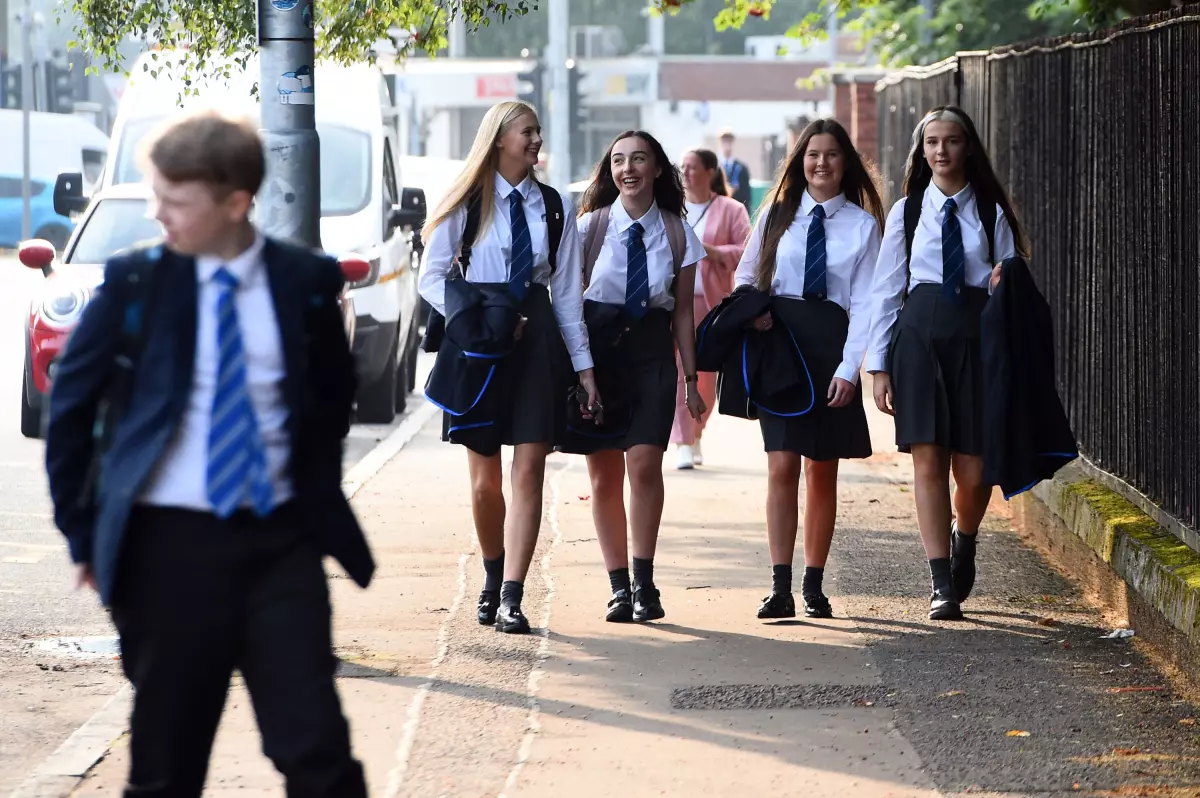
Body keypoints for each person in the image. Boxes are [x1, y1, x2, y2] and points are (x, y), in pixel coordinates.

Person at [44, 110, 372, 796]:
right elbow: (70, 412)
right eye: (155, 194)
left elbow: (330, 407)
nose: (157, 214)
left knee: (317, 753)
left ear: (235, 201)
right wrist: (86, 538)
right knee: (166, 766)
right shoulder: (137, 284)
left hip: (281, 545)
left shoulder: (305, 284)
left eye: (175, 201)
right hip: (167, 551)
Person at [419, 100, 599, 635]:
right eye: (528, 131)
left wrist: (584, 368)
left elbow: (567, 295)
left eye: (539, 131)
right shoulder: (467, 202)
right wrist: (475, 317)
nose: (537, 140)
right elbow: (430, 278)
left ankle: (513, 596)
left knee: (531, 467)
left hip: (538, 335)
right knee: (483, 483)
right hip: (480, 343)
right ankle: (492, 577)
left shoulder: (554, 205)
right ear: (499, 138)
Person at [865, 105, 1029, 621]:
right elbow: (888, 289)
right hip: (919, 339)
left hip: (977, 339)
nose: (941, 150)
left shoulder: (990, 211)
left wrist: (1007, 280)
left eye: (951, 141)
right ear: (923, 151)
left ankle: (966, 536)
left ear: (967, 148)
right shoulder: (907, 211)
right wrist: (879, 364)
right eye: (932, 141)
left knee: (974, 468)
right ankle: (941, 583)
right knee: (928, 457)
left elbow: (1011, 276)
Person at [735, 119, 885, 620]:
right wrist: (751, 311)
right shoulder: (777, 216)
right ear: (800, 162)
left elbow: (866, 303)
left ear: (846, 163)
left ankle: (814, 583)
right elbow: (744, 276)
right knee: (781, 465)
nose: (821, 163)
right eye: (812, 154)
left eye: (832, 155)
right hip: (780, 345)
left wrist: (849, 369)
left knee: (822, 471)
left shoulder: (864, 227)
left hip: (830, 350)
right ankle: (779, 587)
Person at [570, 130, 707, 623]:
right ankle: (618, 587)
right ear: (610, 171)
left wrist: (692, 382)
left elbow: (683, 317)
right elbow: (565, 299)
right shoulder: (587, 228)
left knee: (645, 465)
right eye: (619, 160)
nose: (628, 169)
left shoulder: (677, 232)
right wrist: (576, 364)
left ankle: (645, 581)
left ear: (655, 169)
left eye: (639, 159)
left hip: (651, 353)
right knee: (604, 475)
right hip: (598, 354)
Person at [671, 148, 751, 470]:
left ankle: (697, 431)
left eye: (693, 168)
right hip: (676, 304)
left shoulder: (731, 209)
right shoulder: (671, 209)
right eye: (683, 167)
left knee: (705, 376)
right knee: (679, 372)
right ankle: (682, 441)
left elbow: (747, 252)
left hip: (714, 304)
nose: (686, 173)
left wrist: (712, 252)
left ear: (710, 171)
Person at [719, 130, 753, 210]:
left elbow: (746, 195)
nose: (727, 145)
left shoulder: (741, 168)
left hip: (736, 210)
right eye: (724, 142)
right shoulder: (715, 167)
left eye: (729, 142)